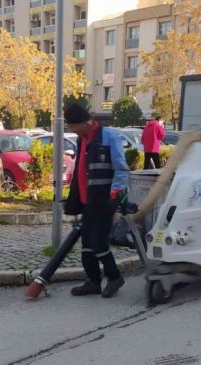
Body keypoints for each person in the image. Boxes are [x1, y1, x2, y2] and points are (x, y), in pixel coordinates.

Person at [64, 104, 130, 298]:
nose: (72, 130)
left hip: (104, 200)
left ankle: (115, 277)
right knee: (86, 244)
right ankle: (93, 282)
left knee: (98, 242)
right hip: (88, 201)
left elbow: (121, 169)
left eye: (73, 126)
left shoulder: (109, 136)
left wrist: (115, 195)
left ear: (85, 122)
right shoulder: (82, 139)